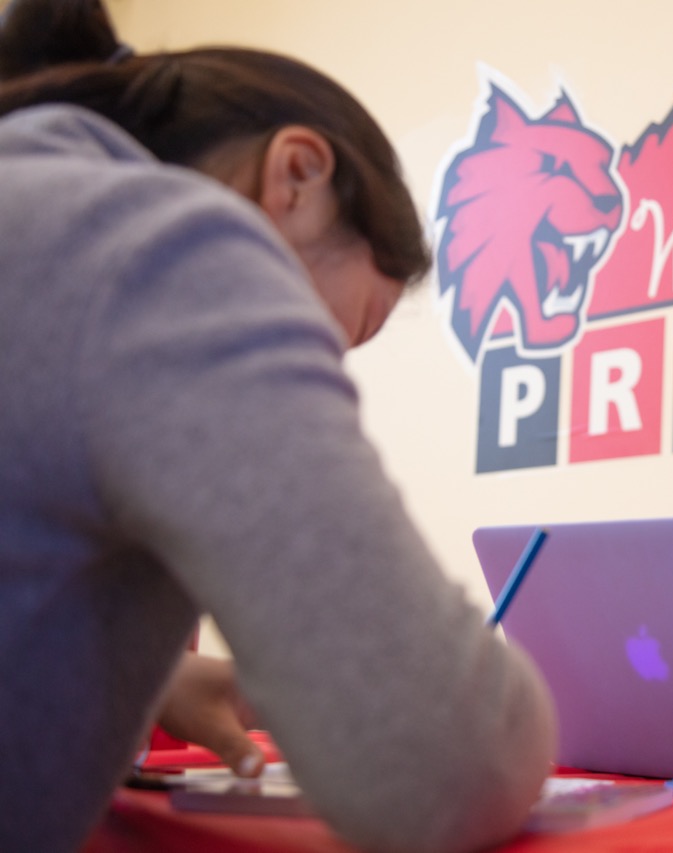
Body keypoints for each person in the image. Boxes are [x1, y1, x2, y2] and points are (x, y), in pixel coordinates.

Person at [0, 2, 556, 852]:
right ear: (295, 176)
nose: (318, 374)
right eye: (337, 334)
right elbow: (442, 768)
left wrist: (147, 683)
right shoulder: (170, 249)